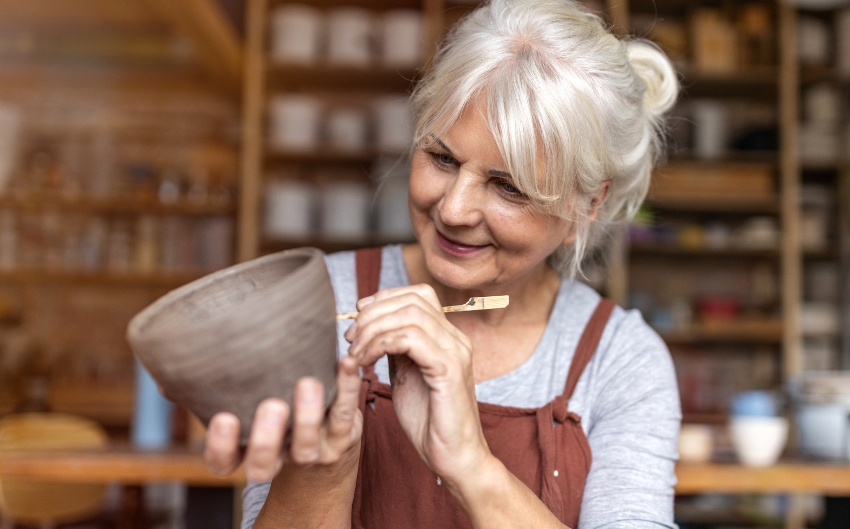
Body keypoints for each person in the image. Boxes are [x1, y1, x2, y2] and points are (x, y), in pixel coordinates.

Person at [205, 0, 681, 527]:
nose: (453, 210)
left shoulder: (622, 361)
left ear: (587, 205)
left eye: (508, 187)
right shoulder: (318, 302)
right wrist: (325, 467)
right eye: (442, 158)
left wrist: (471, 468)